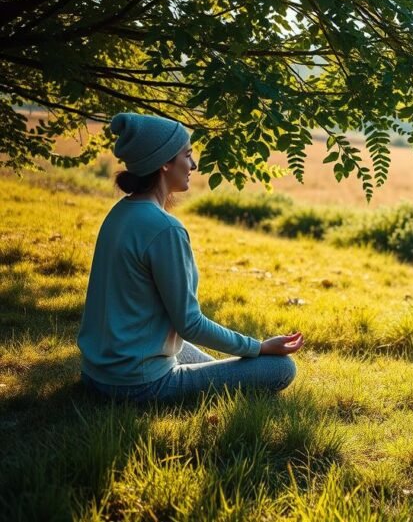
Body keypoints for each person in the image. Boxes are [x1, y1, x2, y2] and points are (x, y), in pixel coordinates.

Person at [78, 113, 303, 402]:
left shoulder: (120, 212)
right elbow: (190, 323)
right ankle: (238, 373)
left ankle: (227, 374)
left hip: (98, 373)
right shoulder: (165, 228)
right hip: (139, 384)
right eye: (187, 155)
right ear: (164, 162)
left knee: (192, 352)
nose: (193, 165)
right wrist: (258, 347)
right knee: (279, 368)